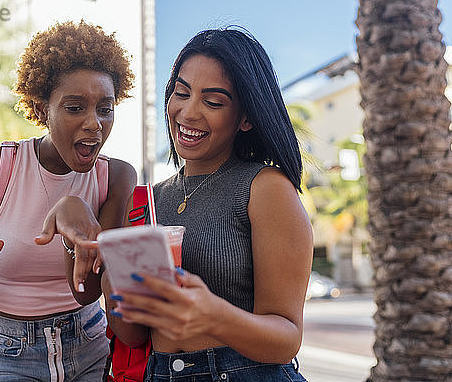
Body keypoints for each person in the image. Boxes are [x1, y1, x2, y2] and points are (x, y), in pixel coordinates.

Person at [0, 20, 136, 382]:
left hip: (88, 345)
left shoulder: (115, 178)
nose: (94, 124)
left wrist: (76, 229)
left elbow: (88, 292)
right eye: (74, 108)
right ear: (42, 109)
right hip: (7, 352)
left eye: (105, 108)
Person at [103, 27, 313, 381]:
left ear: (246, 117)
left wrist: (214, 315)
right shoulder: (147, 201)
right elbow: (135, 335)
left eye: (213, 101)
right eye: (181, 93)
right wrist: (112, 278)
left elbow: (286, 338)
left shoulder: (265, 188)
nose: (188, 112)